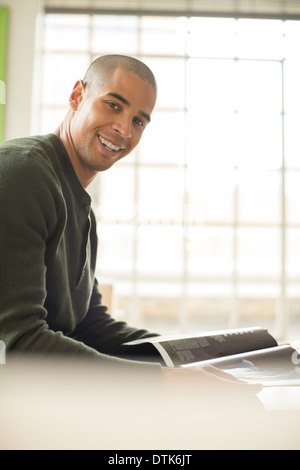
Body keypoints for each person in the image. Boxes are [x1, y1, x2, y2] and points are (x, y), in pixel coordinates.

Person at [0, 54, 261, 395]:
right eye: (112, 105)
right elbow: (20, 341)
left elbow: (92, 327)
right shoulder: (22, 172)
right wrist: (164, 381)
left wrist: (199, 353)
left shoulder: (80, 208)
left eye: (139, 121)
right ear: (77, 96)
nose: (124, 129)